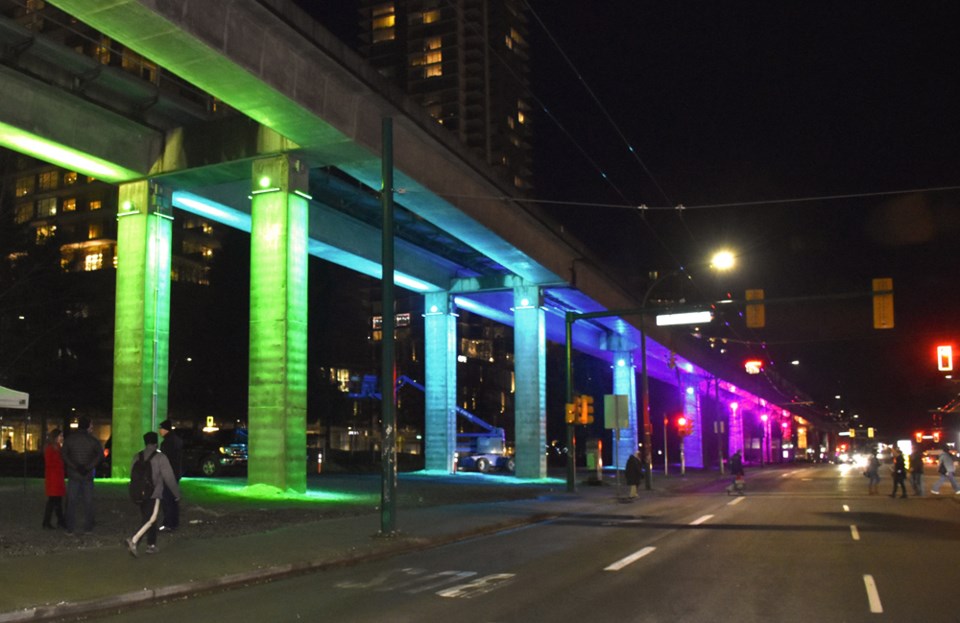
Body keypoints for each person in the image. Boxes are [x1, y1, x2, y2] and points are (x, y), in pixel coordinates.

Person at [126, 432, 181, 557]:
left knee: (149, 518)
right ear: (156, 443)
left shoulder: (137, 456)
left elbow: (132, 474)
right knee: (150, 519)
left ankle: (151, 545)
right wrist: (176, 493)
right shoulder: (160, 457)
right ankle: (134, 540)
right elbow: (169, 477)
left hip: (139, 493)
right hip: (154, 493)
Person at [60, 416, 104, 535]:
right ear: (88, 426)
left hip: (74, 474)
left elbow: (64, 455)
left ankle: (70, 528)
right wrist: (88, 467)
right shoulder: (92, 440)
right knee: (88, 502)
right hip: (87, 475)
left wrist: (75, 466)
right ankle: (88, 527)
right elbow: (100, 456)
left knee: (71, 502)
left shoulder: (70, 439)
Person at [158, 420, 183, 532]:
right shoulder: (177, 441)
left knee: (167, 499)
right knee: (173, 499)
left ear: (165, 429)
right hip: (175, 474)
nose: (160, 431)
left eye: (161, 428)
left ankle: (168, 523)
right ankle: (174, 523)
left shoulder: (166, 443)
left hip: (167, 475)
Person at [42, 428, 66, 529]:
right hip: (54, 478)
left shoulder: (56, 448)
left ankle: (55, 521)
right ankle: (54, 521)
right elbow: (50, 463)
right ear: (56, 437)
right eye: (60, 436)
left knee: (55, 501)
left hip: (55, 478)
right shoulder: (51, 449)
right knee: (54, 501)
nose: (62, 438)